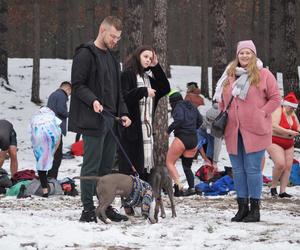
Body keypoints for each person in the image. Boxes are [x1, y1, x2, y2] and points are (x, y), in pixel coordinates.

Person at [68, 16, 131, 223]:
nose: (115, 41)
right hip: (92, 119)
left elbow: (118, 92)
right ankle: (87, 209)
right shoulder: (85, 54)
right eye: (113, 36)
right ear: (102, 30)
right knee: (91, 166)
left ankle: (105, 206)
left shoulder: (113, 59)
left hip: (111, 120)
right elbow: (77, 85)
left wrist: (124, 113)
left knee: (106, 168)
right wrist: (93, 100)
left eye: (118, 38)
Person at [213, 40, 281, 222]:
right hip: (233, 130)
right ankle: (242, 208)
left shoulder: (264, 74)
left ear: (254, 54)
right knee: (238, 170)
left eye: (248, 53)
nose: (244, 56)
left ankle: (255, 210)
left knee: (252, 170)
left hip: (256, 129)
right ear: (237, 55)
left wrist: (262, 113)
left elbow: (275, 98)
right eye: (241, 53)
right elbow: (222, 100)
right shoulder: (229, 75)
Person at [118, 45, 170, 180]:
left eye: (150, 58)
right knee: (132, 168)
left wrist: (156, 66)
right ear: (137, 57)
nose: (148, 60)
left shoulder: (147, 79)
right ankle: (130, 199)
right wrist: (143, 91)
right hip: (132, 130)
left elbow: (165, 88)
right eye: (145, 57)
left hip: (146, 130)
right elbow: (124, 98)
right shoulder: (128, 75)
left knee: (144, 169)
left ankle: (142, 198)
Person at [166, 90, 203, 195]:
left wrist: (168, 130)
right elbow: (200, 121)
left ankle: (179, 188)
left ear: (172, 101)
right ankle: (191, 188)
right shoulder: (192, 106)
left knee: (169, 163)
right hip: (193, 139)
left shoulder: (178, 107)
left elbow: (180, 120)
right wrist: (192, 129)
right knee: (187, 167)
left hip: (182, 138)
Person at [267, 92, 300, 198]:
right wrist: (288, 132)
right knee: (280, 164)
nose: (292, 110)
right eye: (290, 107)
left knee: (288, 166)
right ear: (285, 104)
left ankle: (283, 191)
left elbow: (298, 127)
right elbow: (274, 126)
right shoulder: (278, 111)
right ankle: (273, 186)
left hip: (289, 143)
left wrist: (297, 131)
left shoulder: (292, 114)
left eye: (294, 108)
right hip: (274, 141)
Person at [29, 107, 61, 197]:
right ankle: (52, 181)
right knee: (51, 159)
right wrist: (54, 150)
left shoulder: (34, 119)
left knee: (41, 165)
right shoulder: (52, 117)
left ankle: (45, 190)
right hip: (52, 140)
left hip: (38, 142)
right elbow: (59, 134)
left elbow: (31, 134)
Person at [46, 81, 71, 179]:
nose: (69, 95)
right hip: (56, 128)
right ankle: (52, 178)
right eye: (70, 92)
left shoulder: (53, 94)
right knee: (57, 156)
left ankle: (48, 176)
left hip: (49, 127)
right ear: (67, 89)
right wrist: (70, 113)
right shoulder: (62, 95)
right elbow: (61, 110)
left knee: (51, 154)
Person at [198, 102, 222, 170]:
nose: (209, 122)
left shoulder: (218, 127)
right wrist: (205, 158)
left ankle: (211, 165)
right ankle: (208, 163)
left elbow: (217, 144)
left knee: (212, 143)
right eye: (208, 120)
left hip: (213, 136)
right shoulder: (202, 122)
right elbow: (198, 142)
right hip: (203, 135)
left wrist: (215, 162)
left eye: (211, 121)